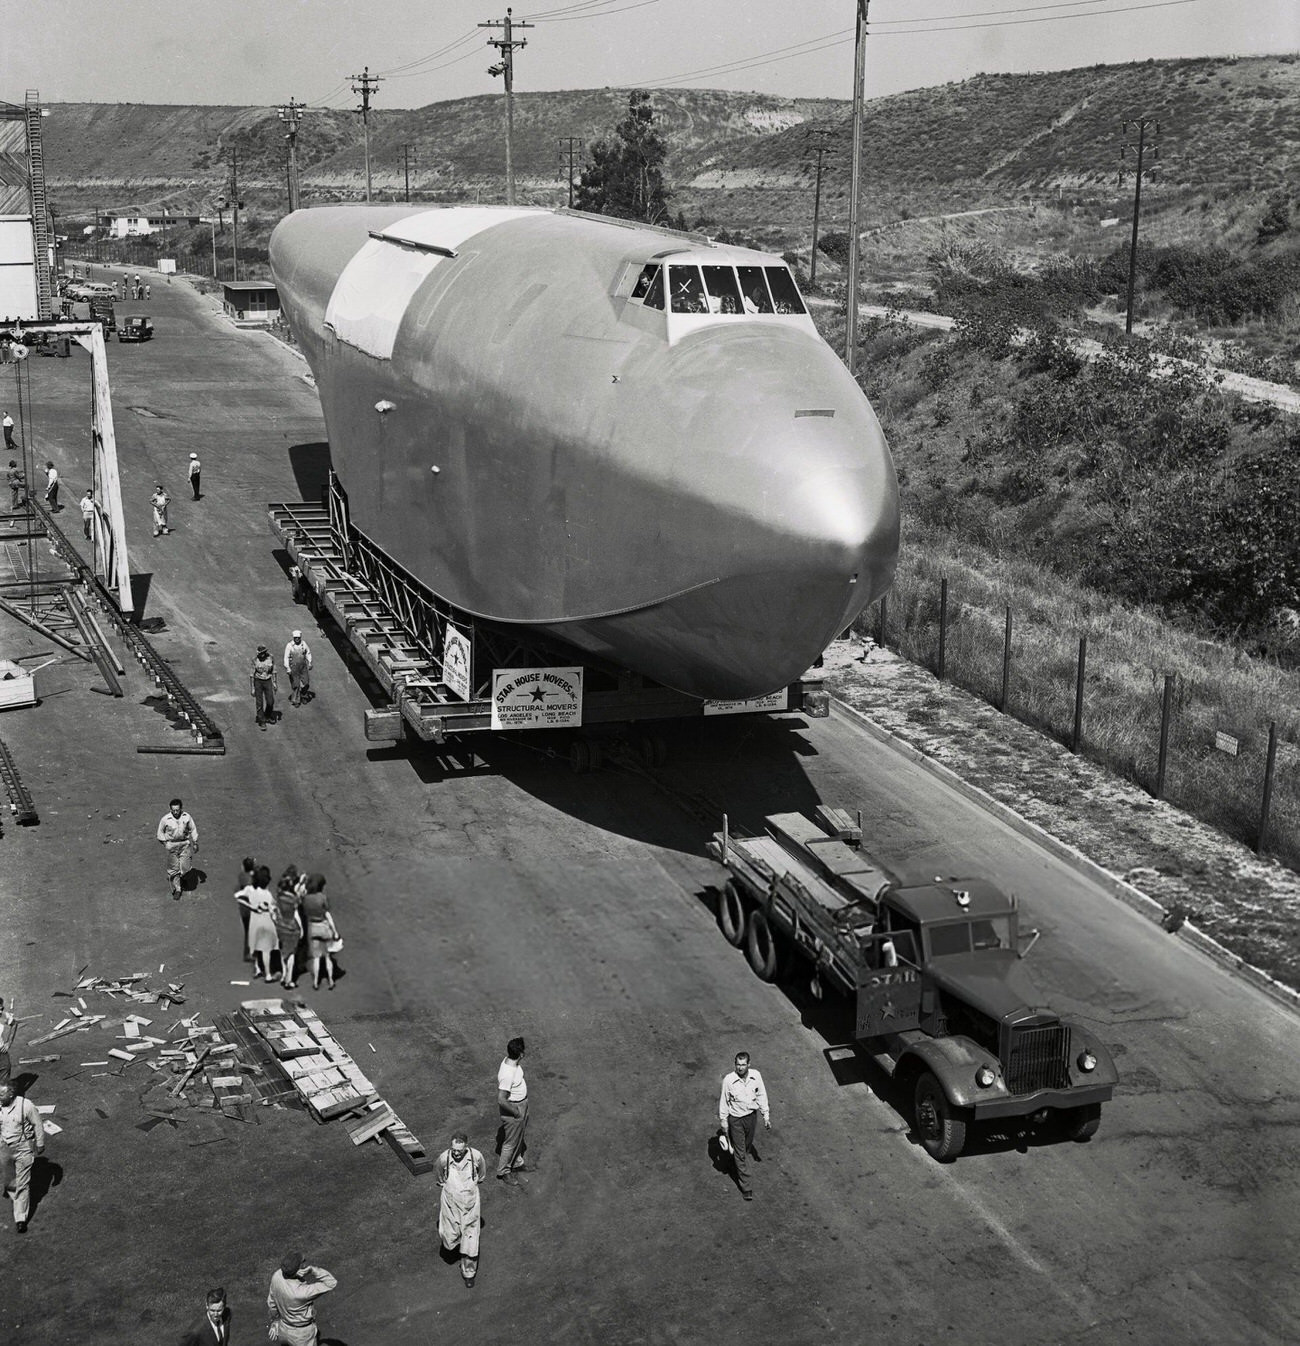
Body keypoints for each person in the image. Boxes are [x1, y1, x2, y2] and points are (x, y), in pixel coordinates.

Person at [719, 1051, 770, 1201]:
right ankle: (746, 1187)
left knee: (746, 1148)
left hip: (751, 1118)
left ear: (749, 1064)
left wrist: (765, 1116)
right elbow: (724, 1100)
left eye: (743, 1065)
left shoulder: (756, 1076)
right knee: (741, 1153)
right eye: (738, 1065)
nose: (740, 1068)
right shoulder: (728, 1080)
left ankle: (732, 1162)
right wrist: (723, 1121)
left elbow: (762, 1095)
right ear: (735, 1064)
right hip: (735, 1120)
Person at [437, 1131, 486, 1288]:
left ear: (467, 1147)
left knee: (470, 1240)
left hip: (471, 1205)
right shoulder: (444, 1158)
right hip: (450, 1203)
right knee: (449, 1234)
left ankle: (469, 1273)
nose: (456, 1153)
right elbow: (438, 1175)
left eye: (460, 1150)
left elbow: (482, 1175)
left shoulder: (476, 1157)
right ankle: (453, 1245)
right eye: (454, 1150)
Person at [0, 1081, 46, 1233]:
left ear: (11, 1094)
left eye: (2, 1094)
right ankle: (16, 1198)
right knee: (9, 1180)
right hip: (5, 1148)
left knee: (22, 1184)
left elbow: (37, 1124)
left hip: (23, 1148)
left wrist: (40, 1143)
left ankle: (20, 1218)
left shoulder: (26, 1105)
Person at [266, 1252, 336, 1346]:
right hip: (302, 1336)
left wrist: (275, 1321)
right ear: (299, 1269)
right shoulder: (302, 1292)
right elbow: (331, 1282)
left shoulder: (277, 1276)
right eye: (303, 1262)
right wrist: (312, 1270)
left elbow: (271, 1303)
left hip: (283, 1330)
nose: (305, 1263)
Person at [496, 1036, 529, 1183]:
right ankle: (504, 1171)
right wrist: (516, 1113)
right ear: (521, 1054)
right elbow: (501, 1099)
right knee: (510, 1143)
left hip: (521, 1104)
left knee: (518, 1136)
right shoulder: (507, 1074)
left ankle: (516, 1162)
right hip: (514, 1109)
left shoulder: (510, 1061)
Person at [237, 865, 277, 983]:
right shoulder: (268, 894)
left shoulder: (251, 891)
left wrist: (252, 907)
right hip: (266, 922)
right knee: (266, 950)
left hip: (255, 923)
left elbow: (238, 897)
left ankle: (257, 968)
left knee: (254, 946)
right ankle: (268, 974)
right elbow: (272, 907)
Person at [157, 797, 199, 899]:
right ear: (170, 809)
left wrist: (195, 842)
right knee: (174, 869)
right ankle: (178, 889)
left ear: (181, 808)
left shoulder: (186, 817)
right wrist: (165, 843)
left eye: (177, 810)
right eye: (173, 810)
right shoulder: (165, 819)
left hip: (184, 845)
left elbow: (193, 829)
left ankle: (183, 877)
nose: (175, 812)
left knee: (186, 869)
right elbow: (159, 833)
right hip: (172, 846)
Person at [301, 874, 337, 991]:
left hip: (312, 927)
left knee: (316, 957)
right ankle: (331, 980)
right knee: (327, 956)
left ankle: (316, 981)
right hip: (323, 927)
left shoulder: (306, 898)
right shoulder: (322, 898)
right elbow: (327, 913)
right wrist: (334, 931)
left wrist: (302, 881)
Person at [273, 874, 304, 989]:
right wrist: (301, 929)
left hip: (281, 926)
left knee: (283, 951)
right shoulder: (294, 899)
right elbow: (296, 915)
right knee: (291, 954)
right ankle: (289, 979)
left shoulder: (279, 897)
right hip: (292, 928)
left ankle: (284, 974)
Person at [236, 856, 257, 963]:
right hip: (250, 909)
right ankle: (249, 953)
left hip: (243, 908)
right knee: (251, 931)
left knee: (248, 931)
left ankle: (248, 952)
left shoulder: (242, 876)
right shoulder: (252, 879)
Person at [284, 630, 313, 706]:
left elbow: (308, 653)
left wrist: (309, 662)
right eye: (295, 638)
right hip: (294, 667)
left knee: (306, 682)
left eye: (298, 638)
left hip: (303, 667)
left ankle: (303, 695)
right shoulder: (289, 645)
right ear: (293, 638)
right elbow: (286, 657)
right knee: (296, 684)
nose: (297, 639)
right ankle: (296, 700)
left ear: (300, 637)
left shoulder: (303, 644)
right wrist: (288, 668)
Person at [251, 644, 277, 728]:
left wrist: (274, 682)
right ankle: (261, 720)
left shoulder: (270, 658)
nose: (262, 655)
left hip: (268, 680)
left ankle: (267, 715)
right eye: (260, 653)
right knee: (259, 702)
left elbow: (274, 671)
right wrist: (252, 688)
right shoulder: (255, 660)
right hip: (258, 681)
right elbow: (251, 675)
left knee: (270, 701)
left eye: (263, 652)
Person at [0, 996, 15, 1087]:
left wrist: (9, 1042)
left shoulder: (3, 1016)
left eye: (1, 1009)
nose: (0, 1012)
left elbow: (14, 1024)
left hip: (1, 1052)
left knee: (5, 1073)